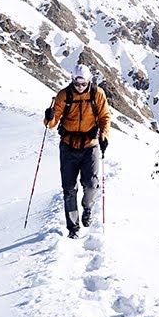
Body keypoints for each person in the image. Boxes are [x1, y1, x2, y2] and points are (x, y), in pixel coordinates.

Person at [44, 64, 110, 238]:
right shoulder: (63, 95)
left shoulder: (97, 94)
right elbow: (51, 124)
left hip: (91, 144)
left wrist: (104, 136)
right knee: (69, 188)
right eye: (76, 82)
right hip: (68, 145)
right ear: (72, 79)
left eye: (83, 83)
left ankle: (87, 207)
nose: (79, 86)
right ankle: (73, 228)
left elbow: (104, 117)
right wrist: (49, 117)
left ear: (89, 81)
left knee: (91, 184)